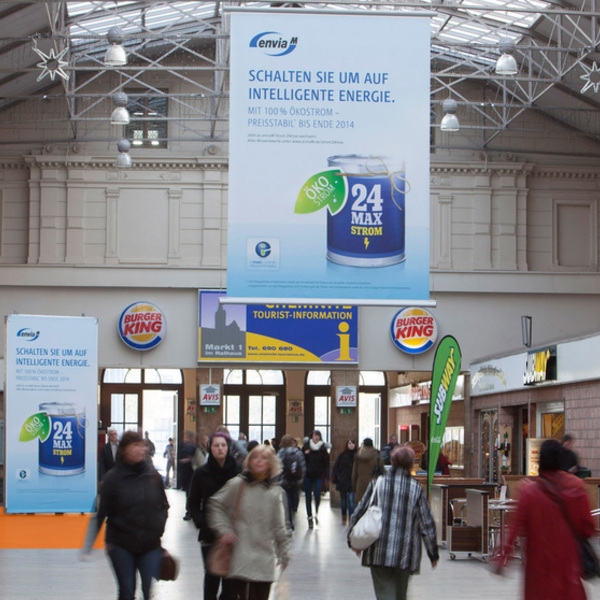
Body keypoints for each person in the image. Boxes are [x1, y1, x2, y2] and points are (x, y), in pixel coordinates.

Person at [496, 438, 595, 599]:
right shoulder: (576, 487)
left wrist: (503, 558)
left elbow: (514, 528)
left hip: (538, 572)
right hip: (568, 569)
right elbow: (588, 528)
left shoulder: (528, 492)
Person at [83, 431, 169, 600]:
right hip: (121, 544)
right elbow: (102, 513)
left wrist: (158, 530)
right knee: (127, 591)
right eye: (135, 445)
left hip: (149, 544)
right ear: (124, 450)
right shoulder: (112, 479)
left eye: (142, 445)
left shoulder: (153, 477)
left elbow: (164, 506)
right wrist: (90, 544)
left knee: (147, 590)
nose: (140, 449)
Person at [348, 445, 438, 600]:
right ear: (411, 465)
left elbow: (360, 510)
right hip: (405, 553)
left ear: (392, 461)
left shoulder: (378, 483)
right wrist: (433, 553)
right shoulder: (416, 489)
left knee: (385, 595)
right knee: (400, 595)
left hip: (378, 552)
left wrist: (353, 541)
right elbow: (427, 523)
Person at [208, 444, 290, 600]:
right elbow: (216, 504)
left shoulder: (275, 492)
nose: (258, 461)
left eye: (263, 458)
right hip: (241, 556)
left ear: (270, 463)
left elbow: (279, 526)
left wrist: (284, 554)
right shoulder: (238, 484)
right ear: (249, 461)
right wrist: (224, 529)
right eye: (255, 458)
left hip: (264, 558)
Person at [188, 432, 240, 600]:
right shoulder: (201, 473)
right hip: (209, 533)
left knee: (231, 580)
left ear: (228, 447)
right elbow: (193, 502)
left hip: (233, 532)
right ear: (210, 447)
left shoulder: (238, 471)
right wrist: (201, 522)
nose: (220, 449)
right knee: (212, 575)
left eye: (223, 445)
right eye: (216, 445)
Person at [277, 433, 306, 530]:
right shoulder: (298, 452)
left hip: (284, 481)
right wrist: (300, 479)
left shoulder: (281, 452)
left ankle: (289, 522)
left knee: (287, 502)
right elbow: (302, 467)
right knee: (295, 498)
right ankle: (294, 509)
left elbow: (278, 468)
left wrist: (278, 480)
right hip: (296, 481)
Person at [302, 429, 329, 528]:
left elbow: (326, 463)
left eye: (318, 435)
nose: (316, 437)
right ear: (311, 436)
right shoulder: (306, 447)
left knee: (317, 495)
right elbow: (302, 460)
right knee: (308, 497)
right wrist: (305, 454)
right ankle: (309, 517)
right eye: (314, 435)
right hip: (307, 476)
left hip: (318, 475)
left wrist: (326, 476)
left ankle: (316, 512)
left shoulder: (322, 448)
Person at [352, 438, 384, 504]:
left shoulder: (358, 456)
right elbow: (382, 470)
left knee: (360, 506)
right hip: (374, 483)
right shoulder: (377, 454)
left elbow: (354, 474)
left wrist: (354, 488)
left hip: (360, 484)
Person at [332, 439, 357, 525]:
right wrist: (338, 477)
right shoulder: (342, 456)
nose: (351, 445)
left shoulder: (356, 456)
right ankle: (344, 516)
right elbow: (336, 467)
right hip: (343, 480)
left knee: (351, 500)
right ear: (347, 444)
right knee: (343, 501)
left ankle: (350, 517)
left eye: (353, 443)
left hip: (351, 481)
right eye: (350, 443)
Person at [180, 430, 197, 520]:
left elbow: (192, 459)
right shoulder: (191, 446)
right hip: (188, 473)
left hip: (190, 473)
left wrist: (186, 460)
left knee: (189, 493)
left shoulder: (190, 446)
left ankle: (189, 511)